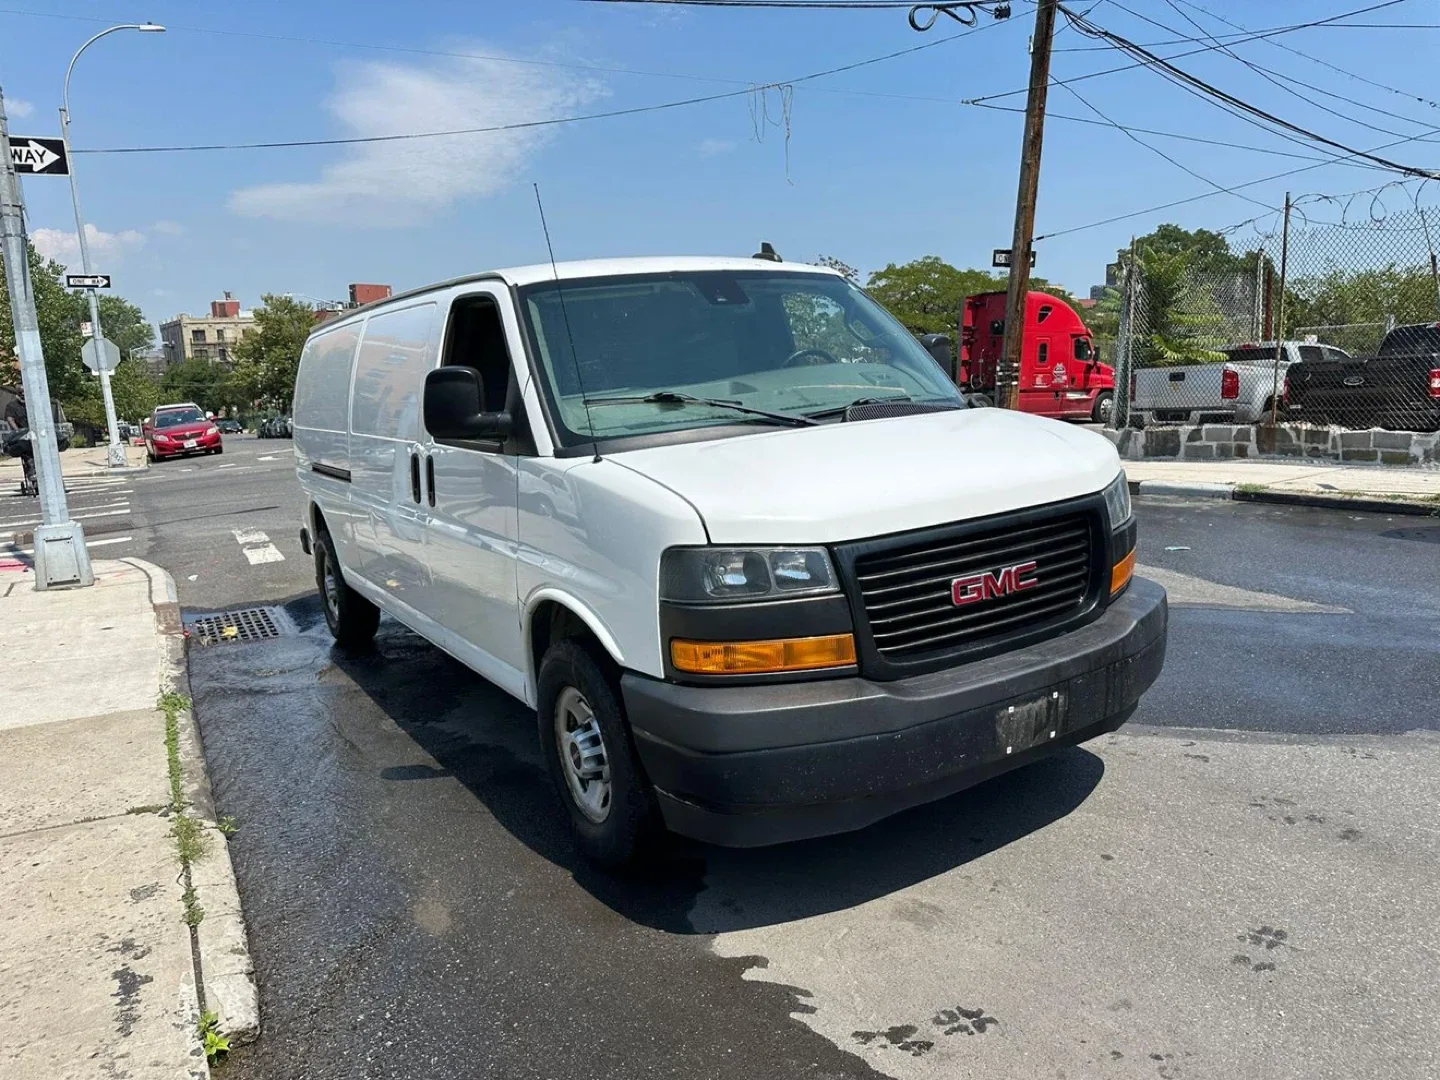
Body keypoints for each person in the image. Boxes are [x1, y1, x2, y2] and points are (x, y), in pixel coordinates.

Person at [4, 388, 36, 496]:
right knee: (28, 457)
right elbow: (10, 419)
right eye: (20, 393)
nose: (23, 395)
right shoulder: (11, 406)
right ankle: (31, 476)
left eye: (24, 393)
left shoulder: (33, 403)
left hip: (36, 434)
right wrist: (18, 432)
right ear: (17, 394)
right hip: (24, 438)